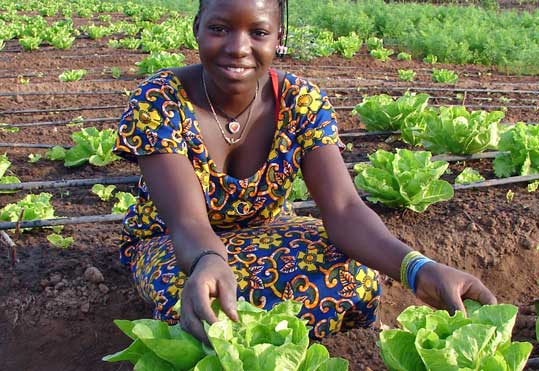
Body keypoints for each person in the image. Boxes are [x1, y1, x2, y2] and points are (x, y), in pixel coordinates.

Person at [113, 0, 496, 343]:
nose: (237, 47)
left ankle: (292, 341)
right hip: (175, 243)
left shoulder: (301, 101)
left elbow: (344, 208)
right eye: (219, 28)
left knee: (358, 276)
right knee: (189, 293)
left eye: (258, 32)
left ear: (279, 37)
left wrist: (419, 268)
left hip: (270, 233)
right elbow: (187, 222)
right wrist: (206, 261)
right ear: (197, 26)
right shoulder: (161, 99)